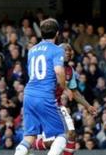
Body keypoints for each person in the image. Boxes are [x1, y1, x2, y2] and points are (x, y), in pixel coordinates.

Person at [14, 18, 68, 155]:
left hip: (29, 94)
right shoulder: (57, 50)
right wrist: (64, 87)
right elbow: (59, 71)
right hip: (44, 95)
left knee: (30, 136)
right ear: (57, 33)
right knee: (62, 135)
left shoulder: (32, 50)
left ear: (41, 33)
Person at [33, 43, 97, 155]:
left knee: (71, 134)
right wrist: (65, 88)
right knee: (52, 142)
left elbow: (74, 91)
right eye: (65, 50)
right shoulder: (49, 65)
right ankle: (33, 144)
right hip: (44, 104)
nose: (68, 52)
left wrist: (88, 106)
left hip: (57, 105)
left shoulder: (70, 70)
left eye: (70, 50)